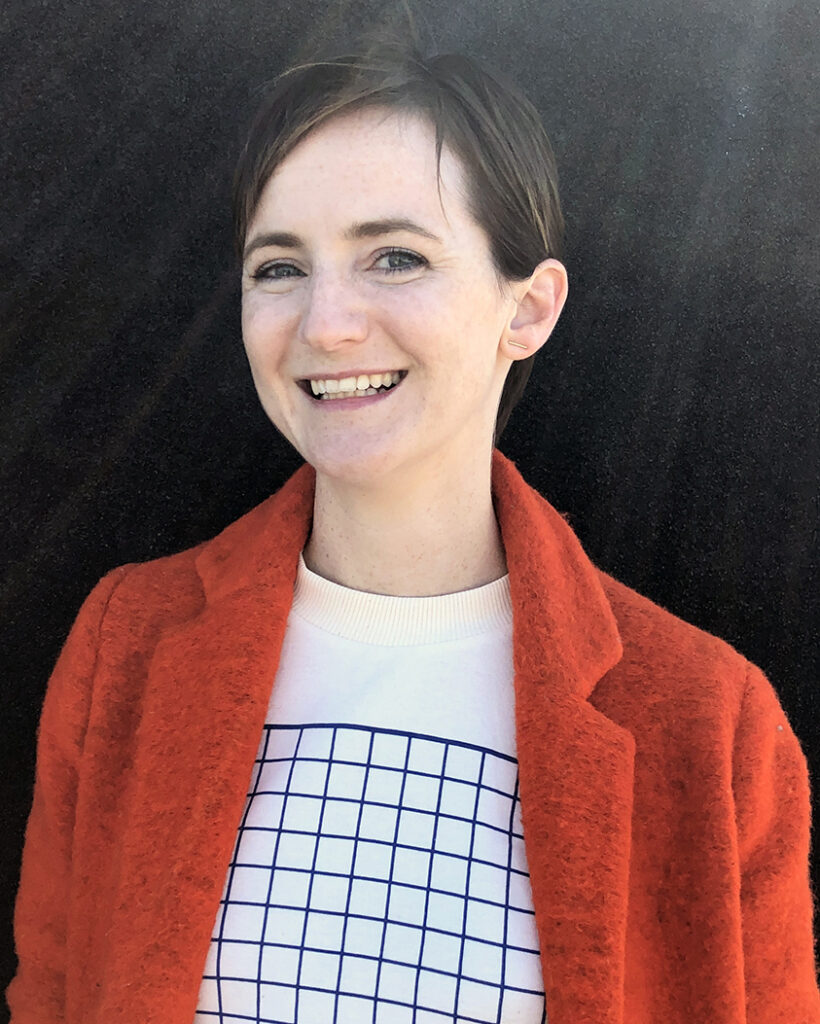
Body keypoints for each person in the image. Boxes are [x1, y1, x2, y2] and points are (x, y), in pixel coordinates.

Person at [7, 30, 820, 1024]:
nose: (326, 323)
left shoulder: (713, 726)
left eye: (393, 256)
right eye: (279, 267)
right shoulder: (124, 641)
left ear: (527, 309)